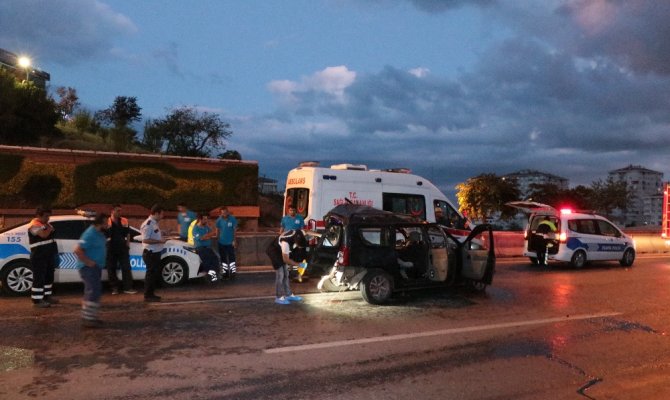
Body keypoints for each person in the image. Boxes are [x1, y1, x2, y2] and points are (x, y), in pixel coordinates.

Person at [74, 213, 109, 328]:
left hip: (95, 267)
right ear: (100, 223)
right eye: (106, 222)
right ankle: (88, 319)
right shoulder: (90, 234)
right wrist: (89, 262)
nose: (108, 224)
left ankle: (91, 317)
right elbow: (78, 250)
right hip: (88, 268)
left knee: (95, 290)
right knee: (93, 290)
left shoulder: (99, 233)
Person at [28, 206, 59, 308]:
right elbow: (44, 235)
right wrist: (49, 228)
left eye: (49, 216)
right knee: (39, 278)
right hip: (39, 256)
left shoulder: (45, 224)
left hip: (47, 255)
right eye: (46, 216)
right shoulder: (34, 225)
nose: (48, 218)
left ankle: (46, 296)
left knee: (48, 277)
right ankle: (37, 300)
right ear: (38, 215)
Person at [266, 229, 305, 305]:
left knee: (286, 274)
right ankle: (278, 297)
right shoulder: (286, 243)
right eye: (298, 246)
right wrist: (299, 265)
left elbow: (307, 231)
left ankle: (288, 294)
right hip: (274, 251)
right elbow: (286, 260)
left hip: (282, 251)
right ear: (296, 242)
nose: (299, 248)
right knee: (280, 274)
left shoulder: (299, 233)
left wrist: (319, 235)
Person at [105, 204, 136, 295]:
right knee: (111, 268)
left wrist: (128, 245)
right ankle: (114, 288)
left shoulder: (124, 220)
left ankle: (128, 288)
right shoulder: (107, 222)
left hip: (122, 248)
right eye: (118, 211)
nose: (120, 212)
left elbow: (128, 234)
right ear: (112, 211)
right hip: (111, 248)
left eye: (120, 211)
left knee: (126, 268)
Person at [140, 204, 167, 302]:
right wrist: (160, 241)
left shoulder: (154, 223)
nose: (162, 216)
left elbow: (154, 234)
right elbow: (146, 239)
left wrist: (162, 233)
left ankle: (151, 294)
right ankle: (148, 295)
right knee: (150, 275)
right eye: (161, 214)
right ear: (156, 213)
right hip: (150, 253)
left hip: (155, 252)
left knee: (153, 274)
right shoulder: (148, 224)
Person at [191, 212, 220, 282]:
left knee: (215, 259)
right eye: (204, 219)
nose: (206, 220)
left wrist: (207, 235)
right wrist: (208, 235)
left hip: (208, 247)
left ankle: (213, 275)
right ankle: (211, 276)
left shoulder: (206, 227)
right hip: (200, 248)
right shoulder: (195, 229)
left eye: (207, 219)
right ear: (200, 219)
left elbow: (213, 233)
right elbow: (201, 238)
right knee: (207, 261)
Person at [215, 207, 238, 278]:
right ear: (220, 213)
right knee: (223, 258)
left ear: (228, 212)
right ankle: (225, 272)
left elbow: (234, 230)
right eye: (222, 213)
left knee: (232, 258)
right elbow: (217, 230)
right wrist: (217, 239)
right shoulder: (218, 220)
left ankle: (233, 272)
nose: (224, 214)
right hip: (221, 242)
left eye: (225, 212)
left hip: (230, 242)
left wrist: (234, 240)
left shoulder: (232, 219)